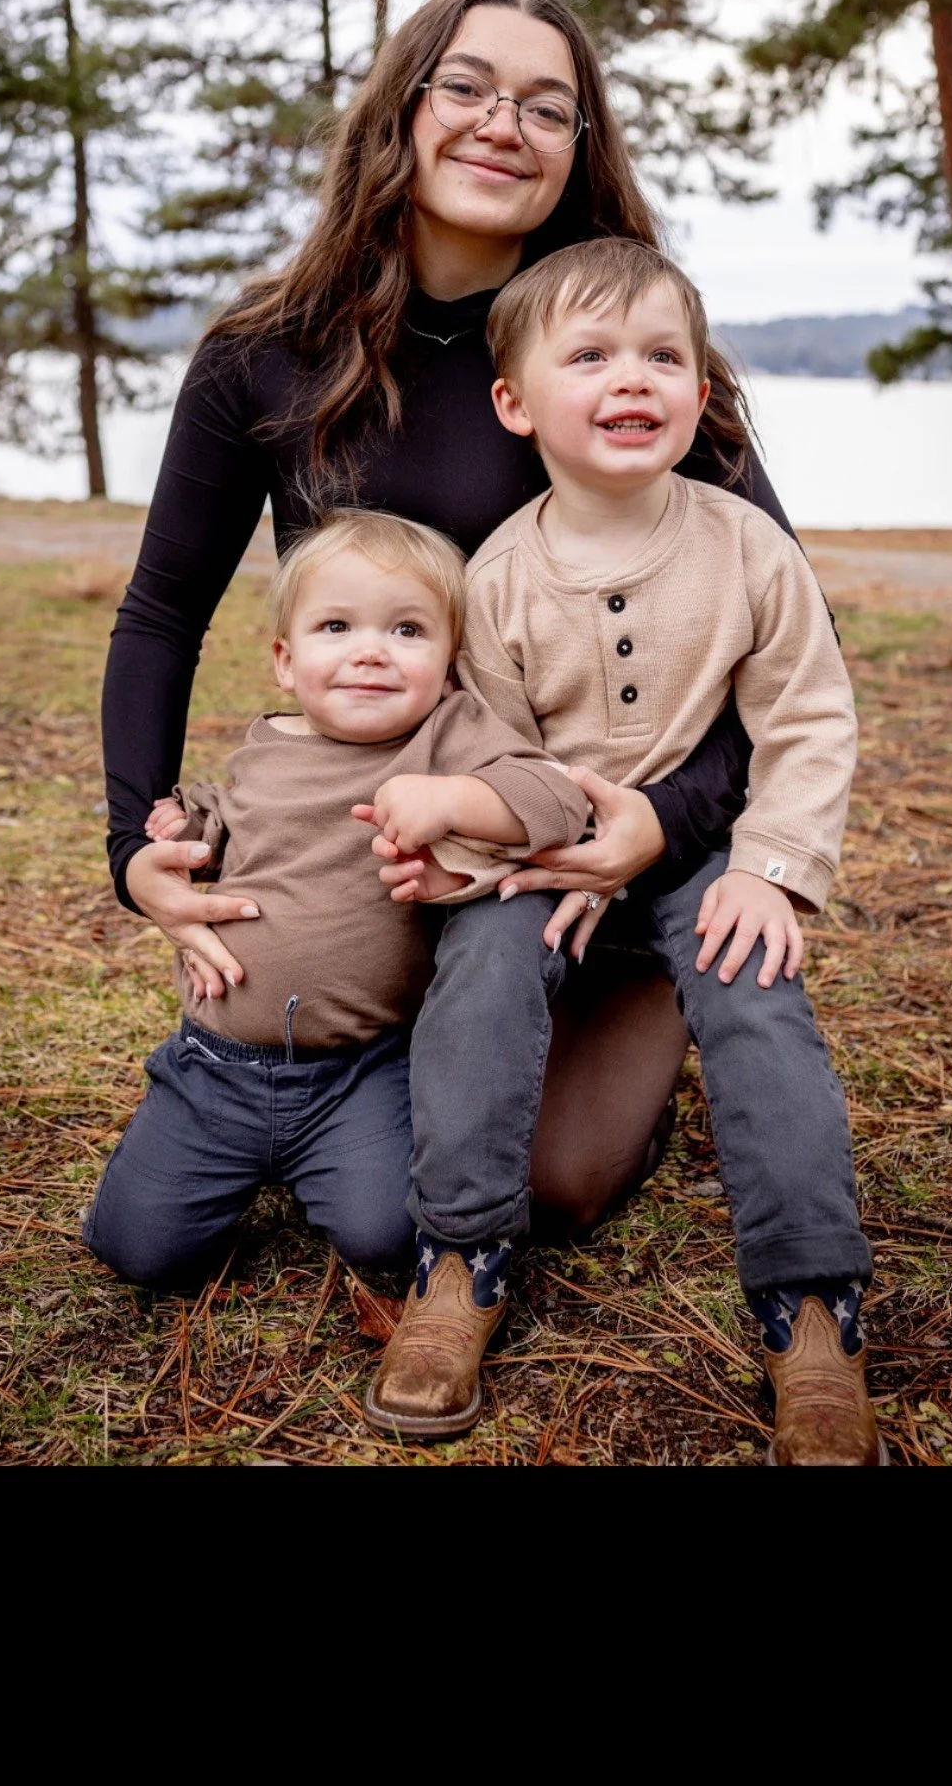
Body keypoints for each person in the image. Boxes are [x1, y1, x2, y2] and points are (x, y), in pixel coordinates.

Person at [101, 0, 800, 1264]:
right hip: (377, 850)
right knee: (408, 1157)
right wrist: (131, 851)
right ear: (404, 109)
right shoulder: (264, 352)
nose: (502, 124)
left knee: (547, 1188)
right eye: (468, 87)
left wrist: (658, 821)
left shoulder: (629, 352)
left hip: (586, 852)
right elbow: (158, 616)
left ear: (578, 150)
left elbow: (778, 642)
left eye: (547, 106)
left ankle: (637, 993)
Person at [362, 240, 883, 1466]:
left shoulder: (748, 547)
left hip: (704, 858)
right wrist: (519, 853)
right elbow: (492, 756)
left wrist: (771, 866)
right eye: (588, 356)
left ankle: (813, 1308)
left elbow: (808, 719)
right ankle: (460, 1264)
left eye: (663, 356)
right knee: (480, 973)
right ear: (516, 402)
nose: (632, 379)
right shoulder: (496, 581)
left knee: (757, 996)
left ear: (701, 394)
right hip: (546, 863)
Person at [84, 510, 588, 1289]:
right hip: (217, 1067)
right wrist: (188, 828)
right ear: (286, 661)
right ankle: (190, 1166)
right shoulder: (268, 746)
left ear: (451, 661)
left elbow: (557, 799)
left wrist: (455, 799)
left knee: (386, 1238)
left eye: (408, 631)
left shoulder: (447, 736)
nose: (370, 652)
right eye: (336, 625)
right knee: (140, 1251)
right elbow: (227, 823)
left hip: (363, 1072)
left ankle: (324, 1166)